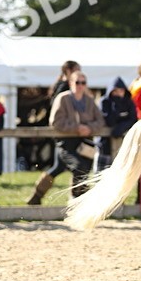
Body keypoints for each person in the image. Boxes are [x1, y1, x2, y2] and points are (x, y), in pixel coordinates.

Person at [28, 71, 109, 203]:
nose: (80, 85)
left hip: (83, 143)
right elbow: (55, 122)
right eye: (77, 82)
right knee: (79, 167)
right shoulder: (63, 98)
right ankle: (76, 198)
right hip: (65, 143)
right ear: (71, 83)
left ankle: (37, 196)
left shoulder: (89, 100)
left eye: (83, 83)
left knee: (58, 169)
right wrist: (76, 127)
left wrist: (89, 128)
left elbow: (100, 121)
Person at [100, 76, 138, 165]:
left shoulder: (129, 102)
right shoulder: (104, 102)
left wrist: (122, 127)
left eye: (121, 91)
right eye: (115, 91)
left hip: (125, 142)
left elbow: (133, 119)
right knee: (103, 171)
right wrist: (116, 106)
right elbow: (109, 121)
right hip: (105, 143)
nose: (118, 93)